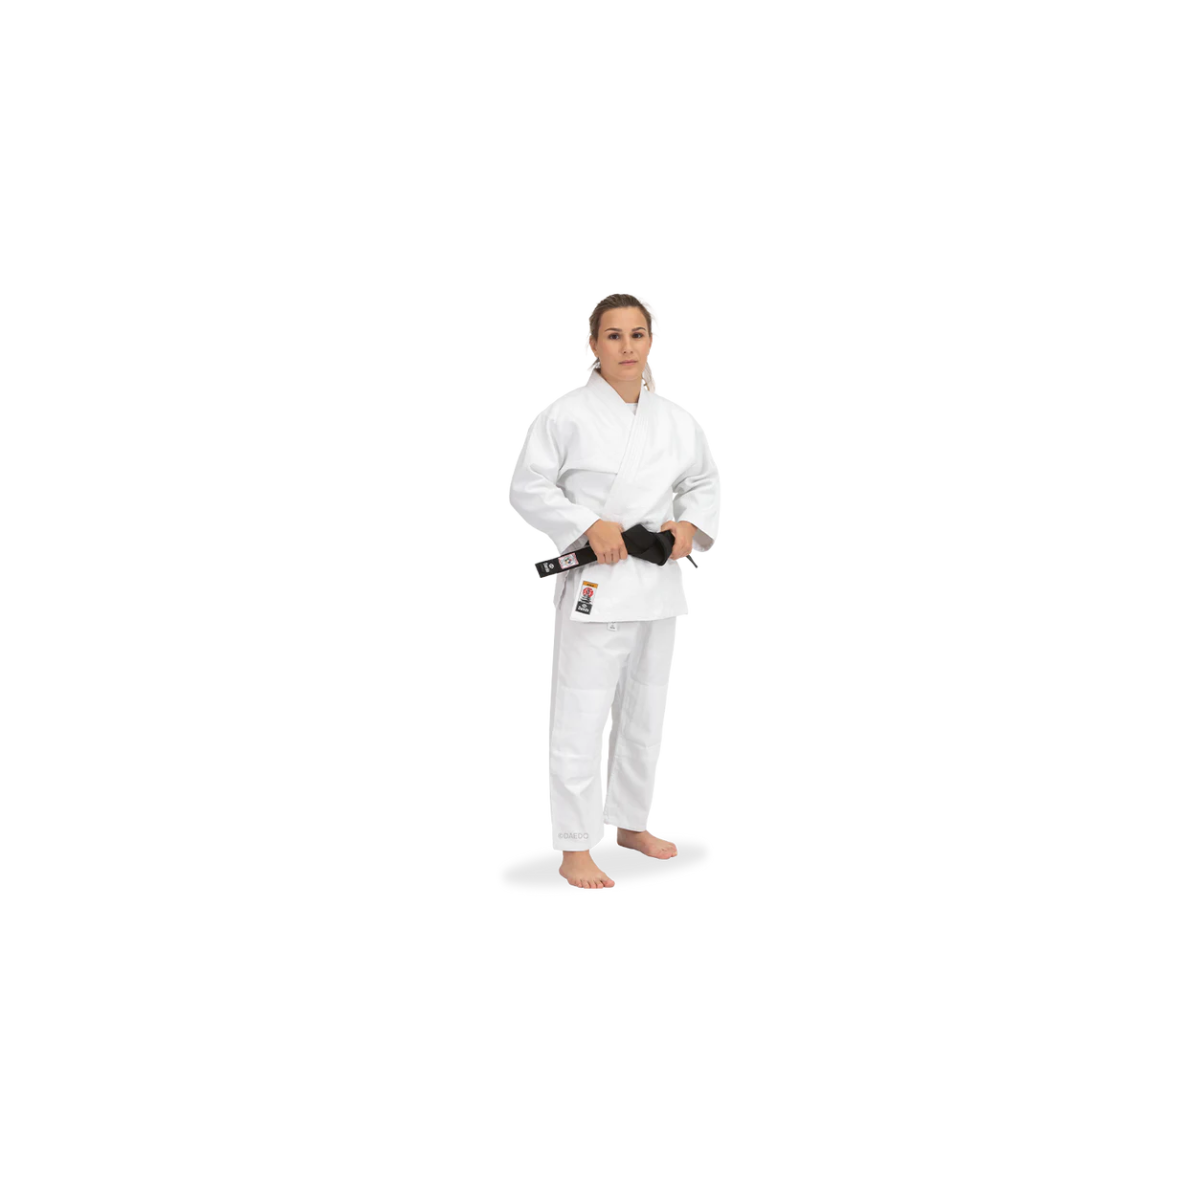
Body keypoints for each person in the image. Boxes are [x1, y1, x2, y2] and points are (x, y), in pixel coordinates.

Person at [508, 294, 721, 888]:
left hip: (656, 579)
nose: (627, 347)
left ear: (650, 341)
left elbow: (702, 482)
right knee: (581, 712)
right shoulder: (566, 415)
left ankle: (631, 822)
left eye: (637, 334)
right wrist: (585, 524)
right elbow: (527, 486)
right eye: (613, 335)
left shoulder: (676, 420)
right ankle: (575, 845)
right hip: (597, 582)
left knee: (645, 710)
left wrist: (688, 525)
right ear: (594, 344)